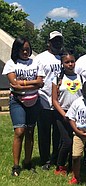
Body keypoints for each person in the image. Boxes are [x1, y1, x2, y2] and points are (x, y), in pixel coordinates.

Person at [2, 37, 44, 176]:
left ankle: (28, 162)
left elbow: (41, 83)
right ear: (17, 49)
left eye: (27, 49)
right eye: (22, 49)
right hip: (17, 101)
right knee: (19, 131)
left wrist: (24, 83)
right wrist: (33, 83)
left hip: (34, 101)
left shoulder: (36, 62)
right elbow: (15, 86)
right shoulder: (11, 64)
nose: (25, 52)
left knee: (30, 131)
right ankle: (16, 165)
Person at [34, 30, 63, 170]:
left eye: (59, 40)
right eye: (55, 41)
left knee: (58, 133)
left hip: (60, 103)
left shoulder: (64, 58)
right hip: (44, 100)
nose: (57, 43)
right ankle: (45, 159)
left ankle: (57, 158)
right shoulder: (40, 58)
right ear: (49, 43)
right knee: (44, 133)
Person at [51, 51, 83, 175]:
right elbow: (54, 100)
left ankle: (71, 165)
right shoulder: (58, 78)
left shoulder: (80, 77)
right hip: (62, 113)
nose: (70, 64)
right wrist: (64, 115)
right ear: (62, 64)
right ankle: (60, 165)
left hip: (77, 115)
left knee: (75, 141)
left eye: (72, 61)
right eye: (67, 62)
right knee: (66, 141)